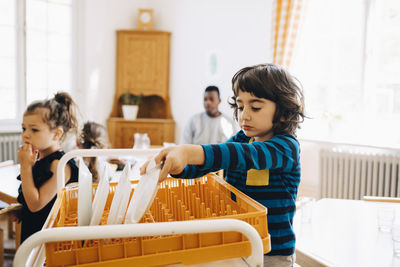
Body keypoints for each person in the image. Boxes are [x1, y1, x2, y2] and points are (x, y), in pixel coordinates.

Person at [141, 63, 305, 266]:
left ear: (282, 112)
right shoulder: (243, 139)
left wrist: (190, 151)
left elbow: (247, 156)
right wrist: (179, 166)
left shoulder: (286, 147)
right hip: (238, 242)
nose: (244, 115)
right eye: (241, 106)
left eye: (255, 107)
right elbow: (212, 162)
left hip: (273, 253)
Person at [15, 92, 80, 243]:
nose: (26, 135)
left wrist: (25, 167)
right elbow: (31, 195)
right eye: (24, 128)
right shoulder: (40, 159)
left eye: (34, 130)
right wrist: (21, 210)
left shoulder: (59, 165)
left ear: (57, 134)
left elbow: (36, 204)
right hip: (34, 230)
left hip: (48, 240)